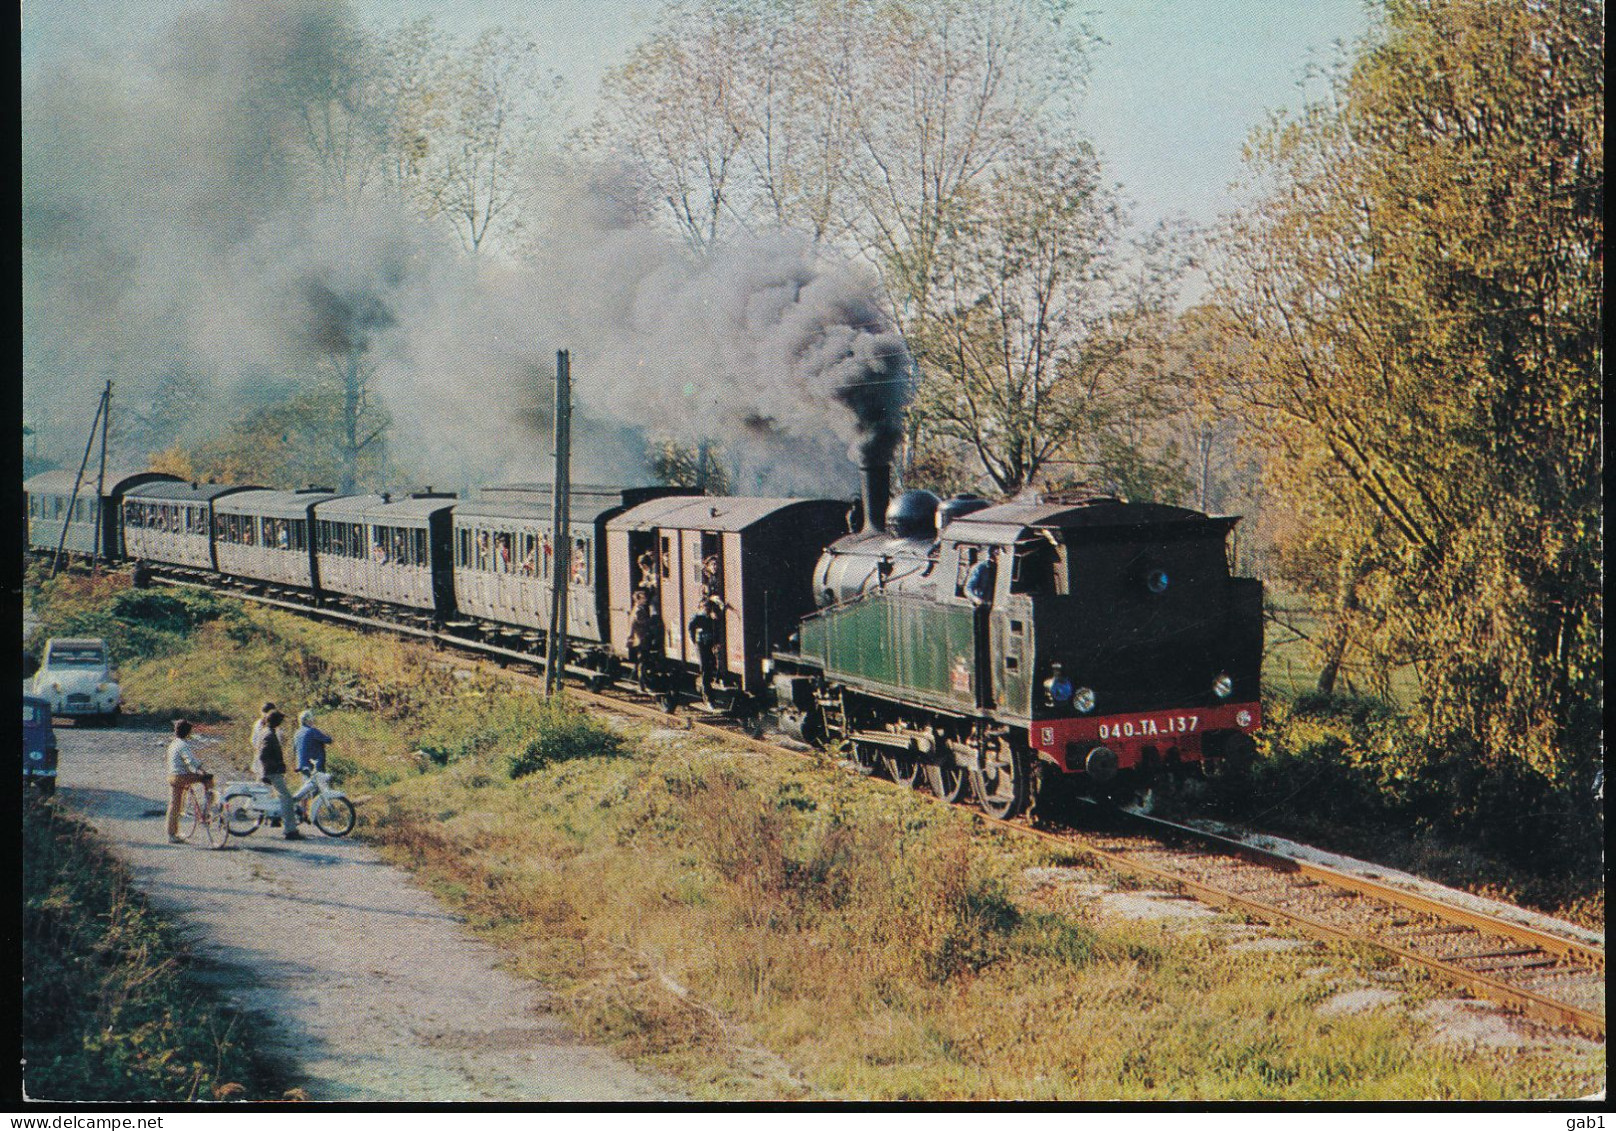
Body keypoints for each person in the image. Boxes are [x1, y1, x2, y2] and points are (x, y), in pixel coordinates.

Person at [253, 709, 302, 840]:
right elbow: (263, 755)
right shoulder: (269, 734)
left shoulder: (267, 731)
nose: (281, 723)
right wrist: (274, 767)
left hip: (271, 771)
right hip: (272, 772)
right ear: (275, 721)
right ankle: (290, 830)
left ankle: (279, 820)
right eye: (280, 720)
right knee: (286, 798)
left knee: (282, 796)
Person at [165, 719, 215, 843]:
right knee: (208, 780)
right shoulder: (183, 745)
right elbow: (191, 761)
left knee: (174, 805)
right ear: (188, 733)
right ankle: (207, 810)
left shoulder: (173, 744)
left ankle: (172, 834)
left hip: (172, 776)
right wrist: (202, 771)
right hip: (182, 777)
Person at [291, 709, 334, 808]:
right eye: (311, 719)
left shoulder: (297, 733)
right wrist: (326, 733)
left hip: (301, 765)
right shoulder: (312, 731)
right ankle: (321, 809)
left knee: (306, 788)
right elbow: (328, 740)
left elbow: (294, 749)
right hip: (314, 765)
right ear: (307, 720)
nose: (312, 721)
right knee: (319, 786)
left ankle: (303, 811)